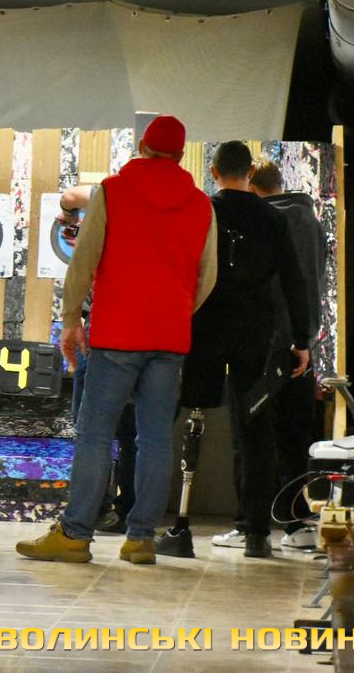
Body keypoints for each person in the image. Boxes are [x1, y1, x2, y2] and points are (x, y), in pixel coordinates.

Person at [17, 115, 217, 565]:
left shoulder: (112, 191)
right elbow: (208, 276)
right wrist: (175, 313)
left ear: (142, 147)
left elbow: (84, 260)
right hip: (169, 338)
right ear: (180, 155)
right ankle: (141, 538)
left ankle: (75, 535)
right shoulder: (202, 204)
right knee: (155, 439)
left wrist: (72, 319)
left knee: (94, 434)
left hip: (116, 334)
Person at [181, 143, 312, 558]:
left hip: (204, 328)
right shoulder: (273, 218)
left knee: (185, 417)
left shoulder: (203, 211)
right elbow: (293, 281)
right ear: (250, 172)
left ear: (214, 171)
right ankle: (256, 532)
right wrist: (302, 340)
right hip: (254, 331)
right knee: (255, 428)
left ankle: (162, 523)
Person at [247, 158, 327, 550]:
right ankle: (296, 523)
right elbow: (315, 282)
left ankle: (253, 526)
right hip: (302, 344)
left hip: (267, 341)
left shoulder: (263, 223)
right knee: (295, 436)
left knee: (256, 437)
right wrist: (305, 340)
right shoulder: (311, 220)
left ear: (251, 184)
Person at [58, 183, 135, 535]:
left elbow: (69, 198)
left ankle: (93, 511)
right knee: (134, 433)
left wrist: (70, 218)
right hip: (140, 335)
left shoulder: (111, 194)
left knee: (91, 430)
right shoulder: (155, 215)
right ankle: (129, 514)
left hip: (100, 333)